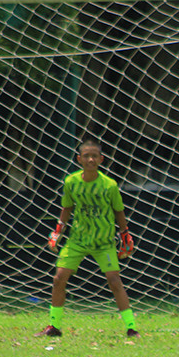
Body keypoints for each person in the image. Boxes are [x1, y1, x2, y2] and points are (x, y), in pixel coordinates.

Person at [36, 139, 138, 338]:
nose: (90, 159)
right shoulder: (71, 182)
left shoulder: (109, 185)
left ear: (101, 159)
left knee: (114, 280)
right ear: (79, 159)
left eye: (94, 156)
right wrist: (58, 232)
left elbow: (119, 211)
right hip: (78, 240)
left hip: (103, 241)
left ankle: (131, 327)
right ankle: (53, 326)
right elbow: (67, 208)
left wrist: (125, 235)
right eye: (86, 156)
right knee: (59, 278)